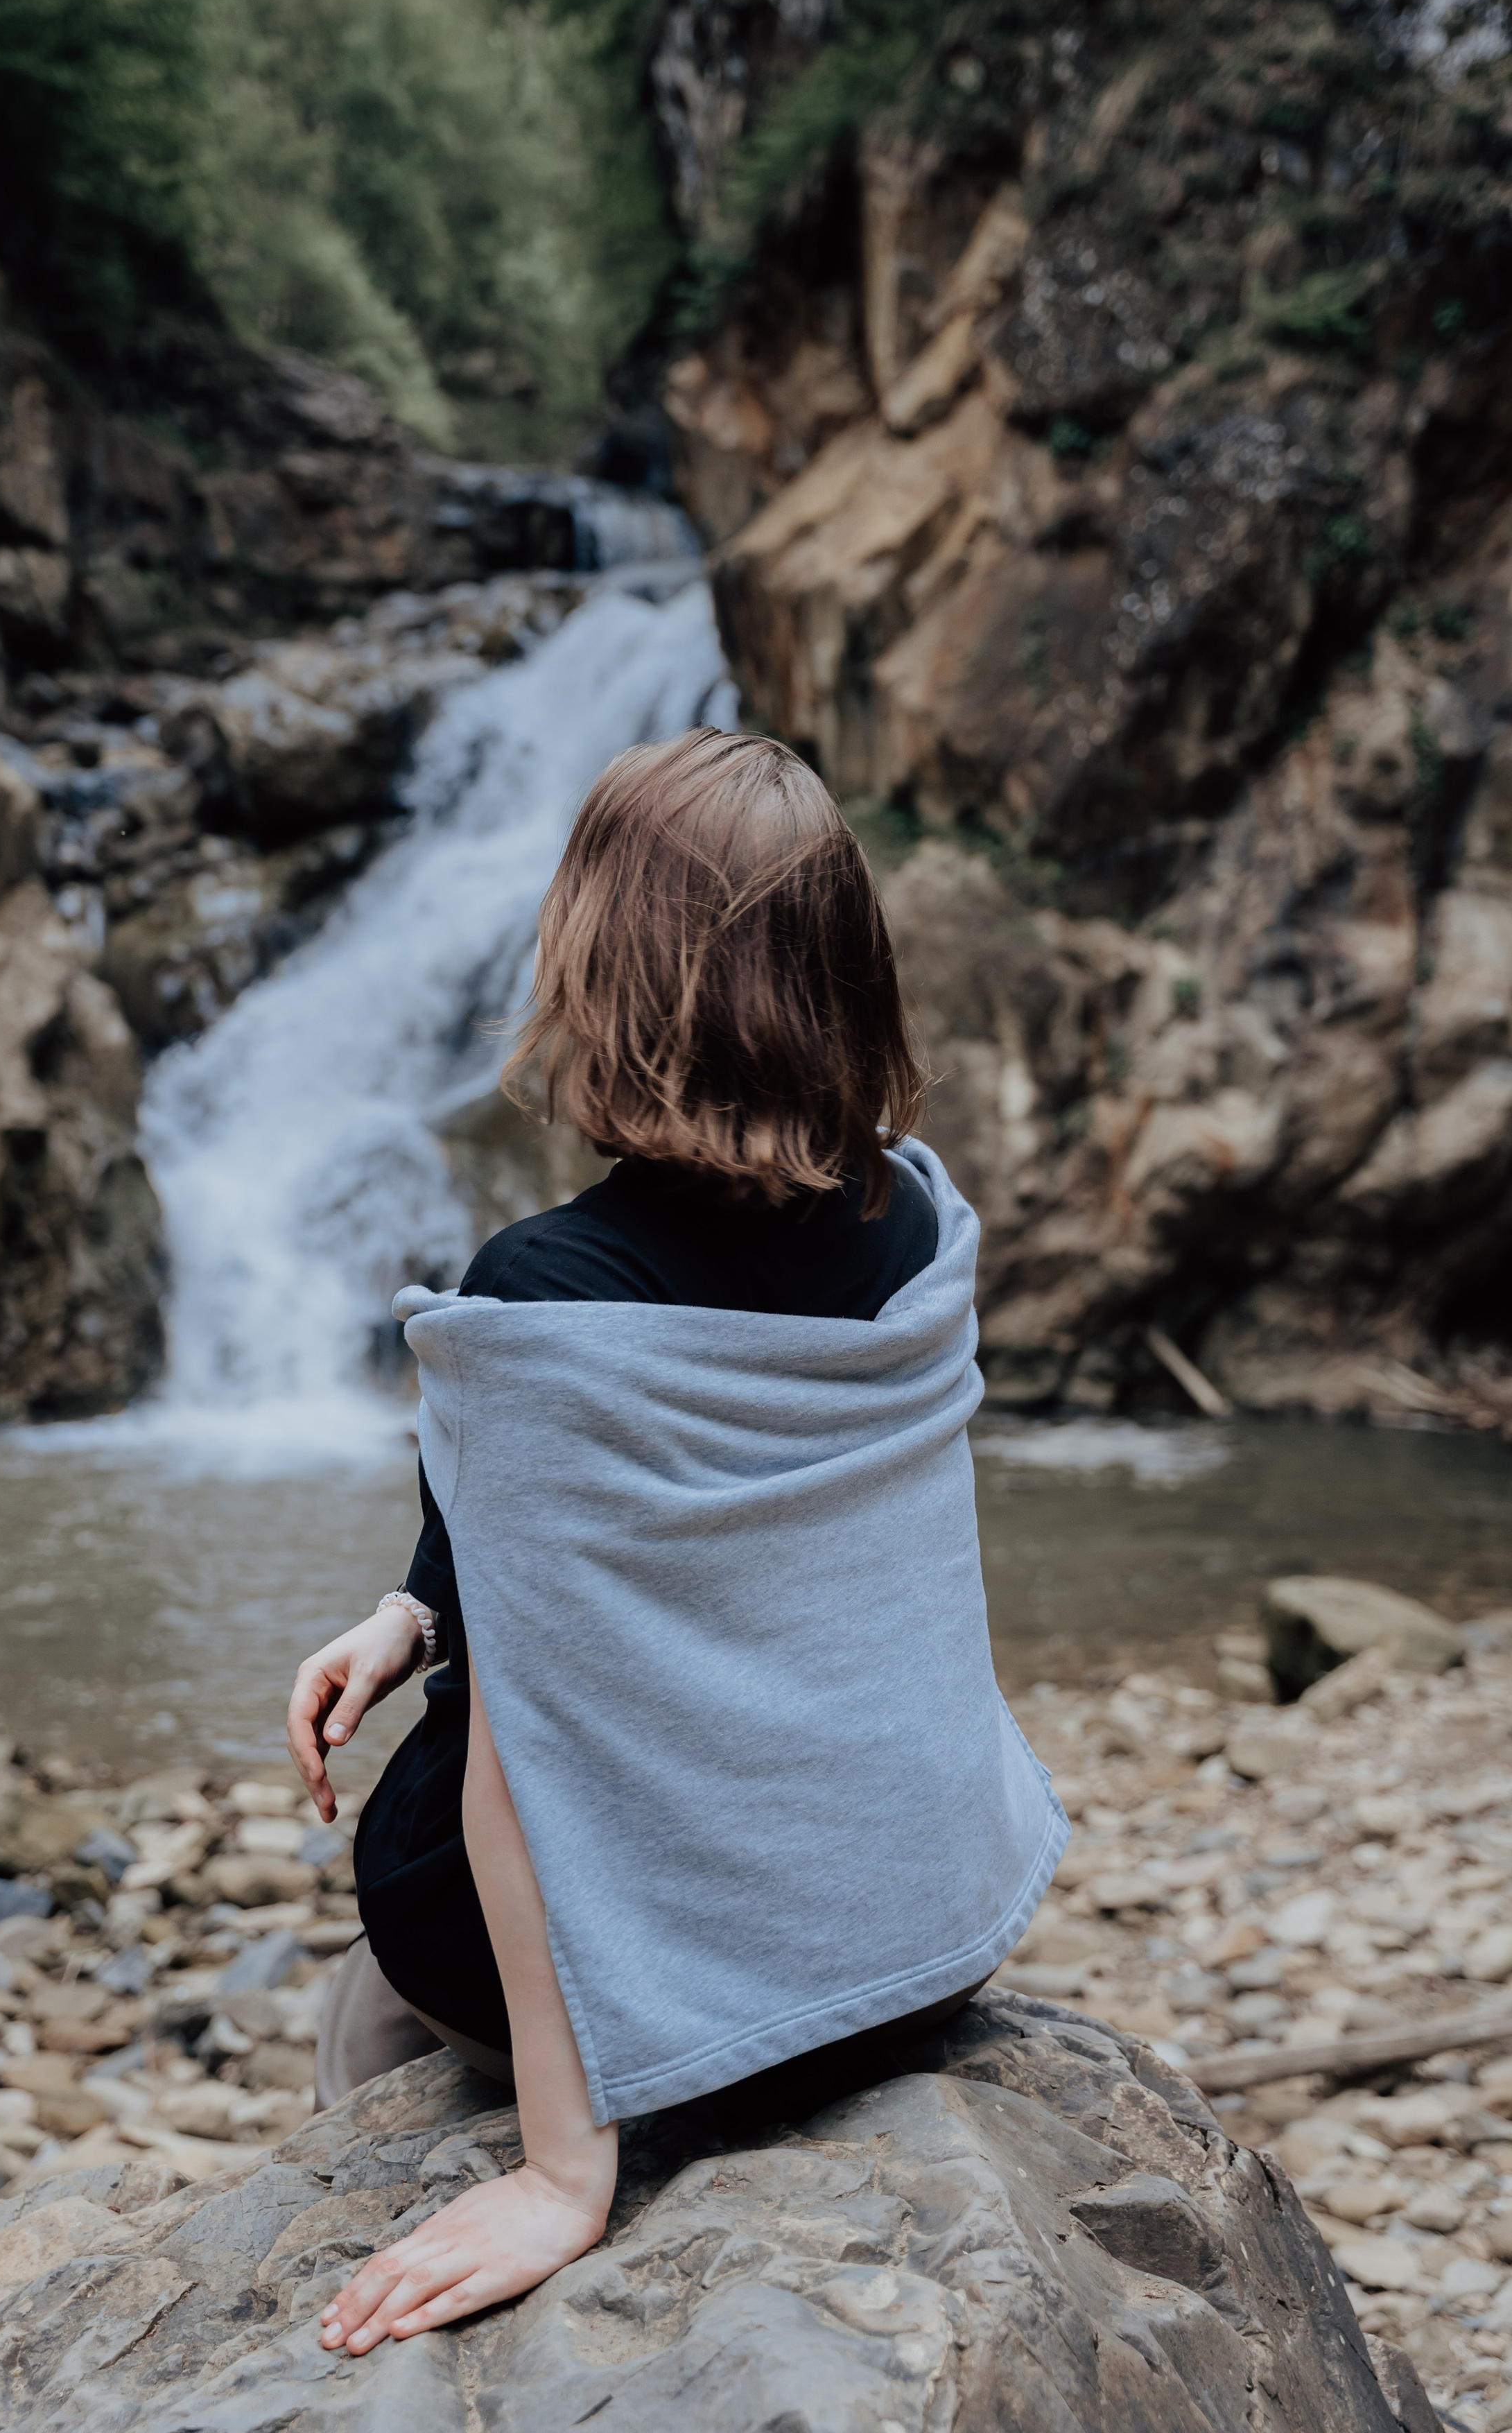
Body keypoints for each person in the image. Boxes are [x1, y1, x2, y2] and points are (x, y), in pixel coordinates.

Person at [286, 726, 1068, 2355]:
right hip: (913, 1938)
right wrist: (413, 1614)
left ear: (599, 973)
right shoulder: (912, 1219)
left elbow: (521, 1764)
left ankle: (410, 2183)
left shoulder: (541, 1296)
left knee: (386, 1954)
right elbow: (744, 1556)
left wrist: (569, 2181)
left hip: (695, 1970)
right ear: (844, 975)